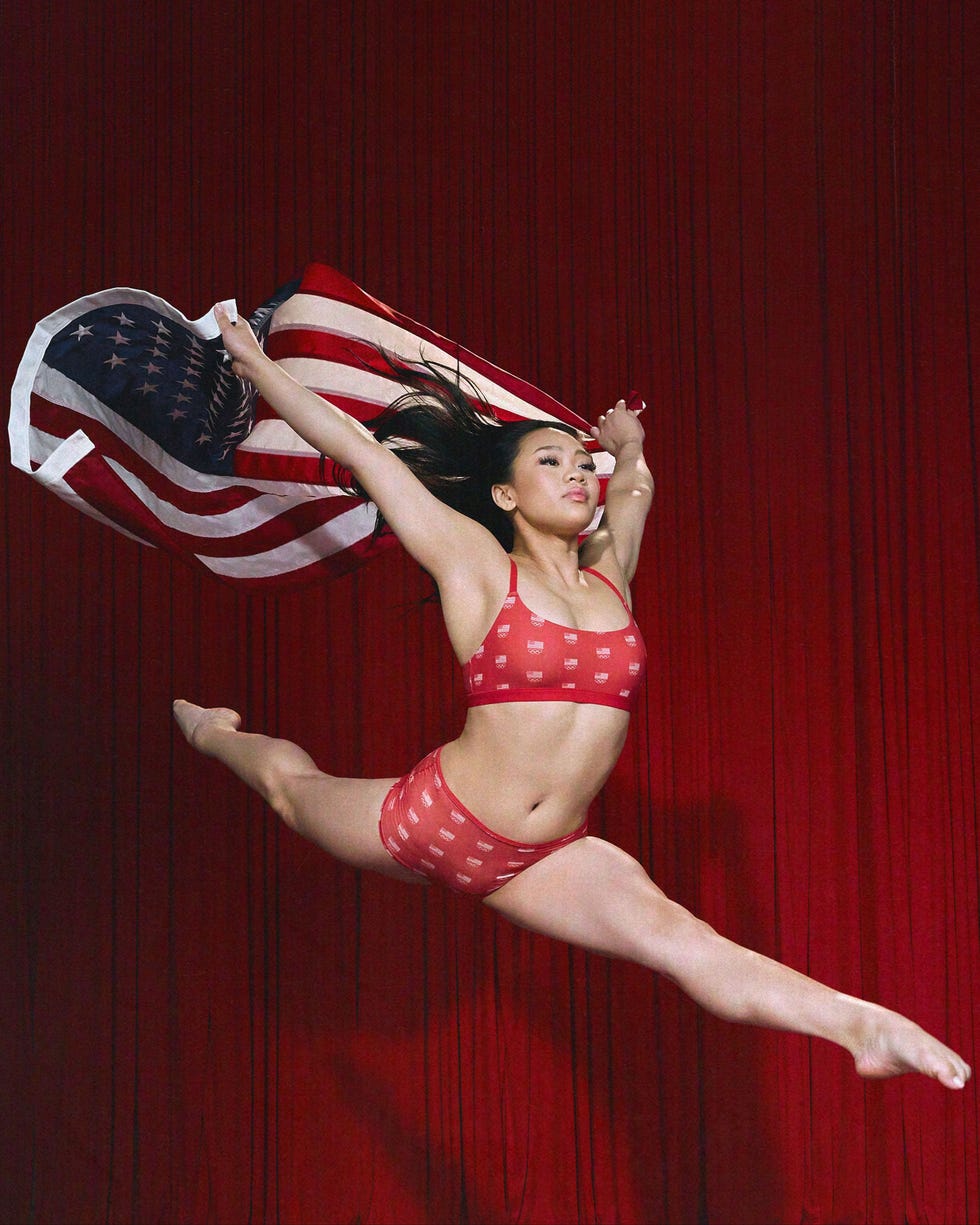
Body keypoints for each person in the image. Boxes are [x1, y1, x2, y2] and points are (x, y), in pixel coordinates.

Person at [174, 303, 971, 1091]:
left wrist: (626, 447)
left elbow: (632, 493)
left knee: (683, 939)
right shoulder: (477, 566)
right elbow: (364, 454)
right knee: (290, 790)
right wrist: (256, 366)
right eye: (550, 462)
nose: (575, 472)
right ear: (507, 498)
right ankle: (217, 733)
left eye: (577, 463)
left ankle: (859, 1024)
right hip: (438, 818)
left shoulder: (609, 576)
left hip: (548, 857)